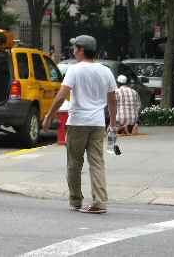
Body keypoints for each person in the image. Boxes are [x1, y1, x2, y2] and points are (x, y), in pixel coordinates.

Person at [42, 35, 117, 214]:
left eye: (75, 48)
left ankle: (76, 200)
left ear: (82, 50)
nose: (73, 51)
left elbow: (61, 96)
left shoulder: (75, 70)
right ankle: (100, 202)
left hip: (77, 122)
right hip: (98, 123)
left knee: (74, 163)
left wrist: (49, 116)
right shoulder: (106, 71)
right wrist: (112, 123)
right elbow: (112, 99)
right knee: (97, 162)